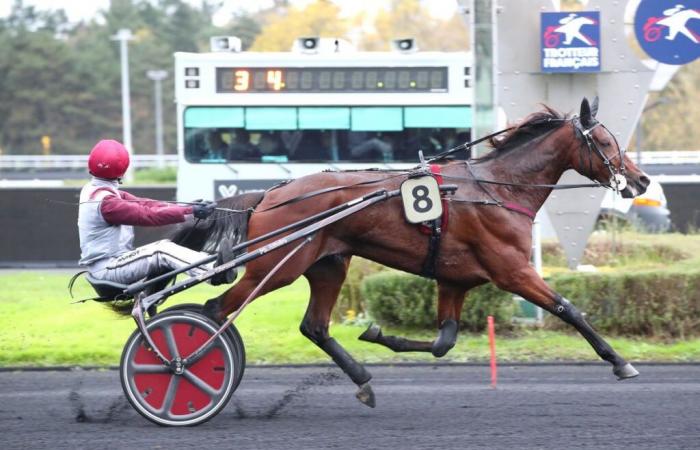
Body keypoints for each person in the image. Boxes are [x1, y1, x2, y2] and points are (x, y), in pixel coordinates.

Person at [77, 139, 236, 290]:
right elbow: (147, 214)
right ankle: (212, 272)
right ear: (123, 169)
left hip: (110, 266)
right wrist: (190, 211)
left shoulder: (94, 190)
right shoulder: (108, 203)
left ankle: (211, 265)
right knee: (161, 250)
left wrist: (188, 207)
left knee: (164, 247)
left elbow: (145, 204)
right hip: (109, 269)